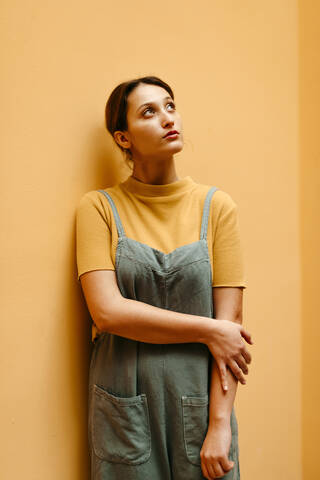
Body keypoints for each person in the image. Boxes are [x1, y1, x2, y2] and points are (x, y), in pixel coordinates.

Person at [76, 75, 253, 480]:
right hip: (124, 403)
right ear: (123, 138)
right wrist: (209, 329)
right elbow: (107, 312)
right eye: (149, 112)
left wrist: (220, 425)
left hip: (201, 404)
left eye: (170, 106)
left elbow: (232, 333)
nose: (167, 118)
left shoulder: (217, 207)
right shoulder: (99, 209)